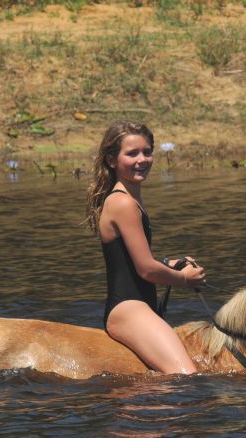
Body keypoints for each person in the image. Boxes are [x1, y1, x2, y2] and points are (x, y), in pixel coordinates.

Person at [85, 121, 205, 374]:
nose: (142, 159)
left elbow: (130, 261)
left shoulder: (129, 198)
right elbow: (146, 270)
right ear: (111, 160)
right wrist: (184, 278)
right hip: (129, 309)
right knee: (185, 376)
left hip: (138, 305)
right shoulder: (124, 204)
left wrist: (170, 264)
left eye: (147, 152)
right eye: (132, 153)